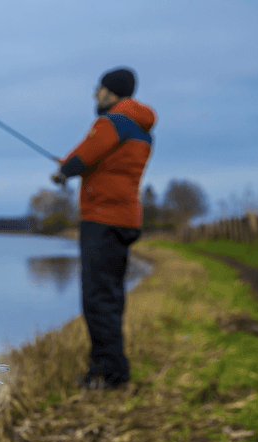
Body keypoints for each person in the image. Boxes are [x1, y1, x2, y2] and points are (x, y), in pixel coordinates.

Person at [51, 67, 157, 390]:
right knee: (110, 295)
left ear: (111, 92)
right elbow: (104, 161)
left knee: (97, 298)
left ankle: (108, 374)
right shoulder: (141, 128)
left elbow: (87, 153)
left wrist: (64, 172)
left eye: (98, 89)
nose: (95, 95)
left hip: (102, 218)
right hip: (125, 218)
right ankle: (113, 367)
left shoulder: (113, 121)